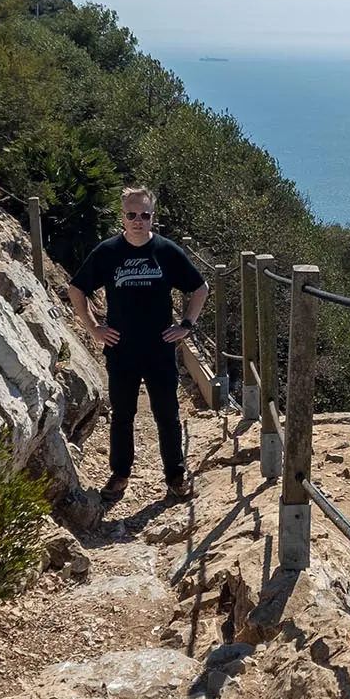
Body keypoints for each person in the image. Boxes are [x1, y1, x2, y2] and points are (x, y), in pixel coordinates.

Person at [67, 187, 209, 500]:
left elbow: (200, 288)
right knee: (122, 414)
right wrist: (93, 328)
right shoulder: (108, 252)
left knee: (167, 413)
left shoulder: (166, 251)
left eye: (145, 215)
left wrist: (186, 325)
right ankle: (120, 474)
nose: (138, 220)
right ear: (123, 216)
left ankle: (176, 475)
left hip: (159, 348)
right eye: (132, 214)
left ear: (152, 217)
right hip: (121, 349)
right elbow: (77, 289)